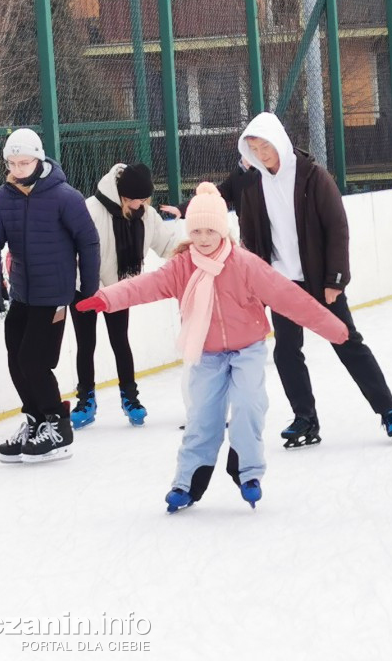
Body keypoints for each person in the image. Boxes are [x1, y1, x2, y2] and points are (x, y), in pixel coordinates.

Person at [76, 183, 349, 513]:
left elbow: (288, 297)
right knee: (202, 419)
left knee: (249, 407)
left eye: (210, 230)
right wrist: (107, 298)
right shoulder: (182, 267)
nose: (203, 238)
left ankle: (247, 471)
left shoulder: (245, 264)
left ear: (223, 230)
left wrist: (332, 327)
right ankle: (187, 482)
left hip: (247, 350)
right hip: (205, 354)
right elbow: (144, 287)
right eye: (197, 231)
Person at [236, 112, 392, 447]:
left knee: (347, 343)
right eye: (254, 148)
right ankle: (305, 419)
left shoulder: (313, 177)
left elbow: (337, 228)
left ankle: (388, 409)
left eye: (266, 145)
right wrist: (259, 283)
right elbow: (251, 237)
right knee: (286, 352)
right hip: (281, 284)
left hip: (319, 281)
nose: (262, 153)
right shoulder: (254, 185)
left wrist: (336, 279)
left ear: (280, 141)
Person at [0, 128, 100, 463]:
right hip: (22, 293)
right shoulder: (4, 197)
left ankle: (58, 425)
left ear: (39, 159)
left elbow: (88, 242)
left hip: (55, 295)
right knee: (16, 357)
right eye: (13, 163)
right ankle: (35, 420)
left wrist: (87, 291)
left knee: (35, 360)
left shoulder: (65, 197)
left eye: (25, 162)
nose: (18, 169)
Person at [69, 162, 179, 429]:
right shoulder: (90, 210)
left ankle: (130, 398)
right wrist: (84, 287)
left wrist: (195, 253)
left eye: (144, 199)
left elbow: (168, 245)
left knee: (120, 340)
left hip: (118, 289)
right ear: (120, 195)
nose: (139, 205)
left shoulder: (147, 215)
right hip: (83, 288)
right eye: (133, 200)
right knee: (86, 344)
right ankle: (86, 400)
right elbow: (69, 249)